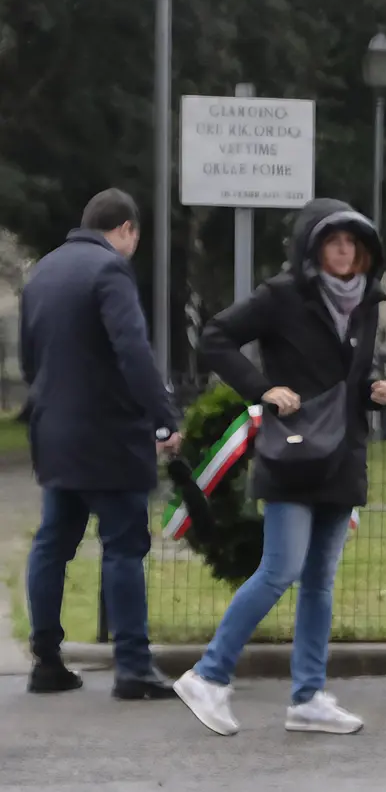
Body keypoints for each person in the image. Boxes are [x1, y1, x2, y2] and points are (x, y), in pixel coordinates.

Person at [174, 198, 386, 737]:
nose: (345, 252)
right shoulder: (282, 295)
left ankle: (308, 697)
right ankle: (208, 675)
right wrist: (262, 390)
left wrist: (372, 392)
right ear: (312, 248)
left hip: (342, 457)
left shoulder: (366, 303)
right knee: (280, 570)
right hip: (293, 454)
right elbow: (216, 337)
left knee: (320, 581)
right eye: (334, 241)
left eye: (353, 243)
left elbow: (343, 379)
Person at [21, 188, 182, 698]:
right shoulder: (110, 270)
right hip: (110, 437)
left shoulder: (43, 271)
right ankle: (133, 666)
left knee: (53, 544)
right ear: (127, 229)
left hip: (55, 433)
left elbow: (29, 358)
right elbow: (133, 352)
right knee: (123, 547)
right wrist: (163, 416)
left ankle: (46, 659)